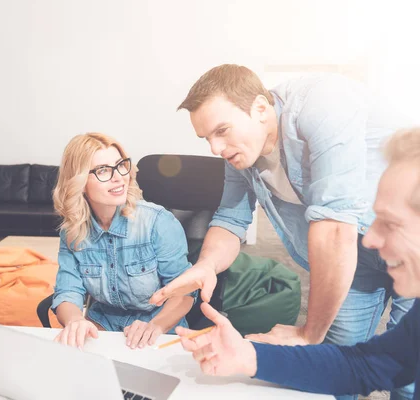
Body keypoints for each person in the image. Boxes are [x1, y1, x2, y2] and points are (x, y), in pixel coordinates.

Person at [149, 64, 413, 399]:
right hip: (353, 259)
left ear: (260, 108)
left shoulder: (323, 103)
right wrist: (205, 266)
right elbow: (230, 220)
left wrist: (308, 332)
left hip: (407, 244)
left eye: (222, 131)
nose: (215, 149)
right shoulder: (241, 156)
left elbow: (334, 230)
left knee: (406, 372)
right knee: (338, 366)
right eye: (207, 139)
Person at [51, 133, 196, 349]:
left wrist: (155, 326)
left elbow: (185, 292)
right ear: (80, 182)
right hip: (101, 329)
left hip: (157, 332)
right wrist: (75, 321)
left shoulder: (158, 222)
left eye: (120, 165)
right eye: (102, 170)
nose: (118, 177)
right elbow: (67, 291)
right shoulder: (73, 232)